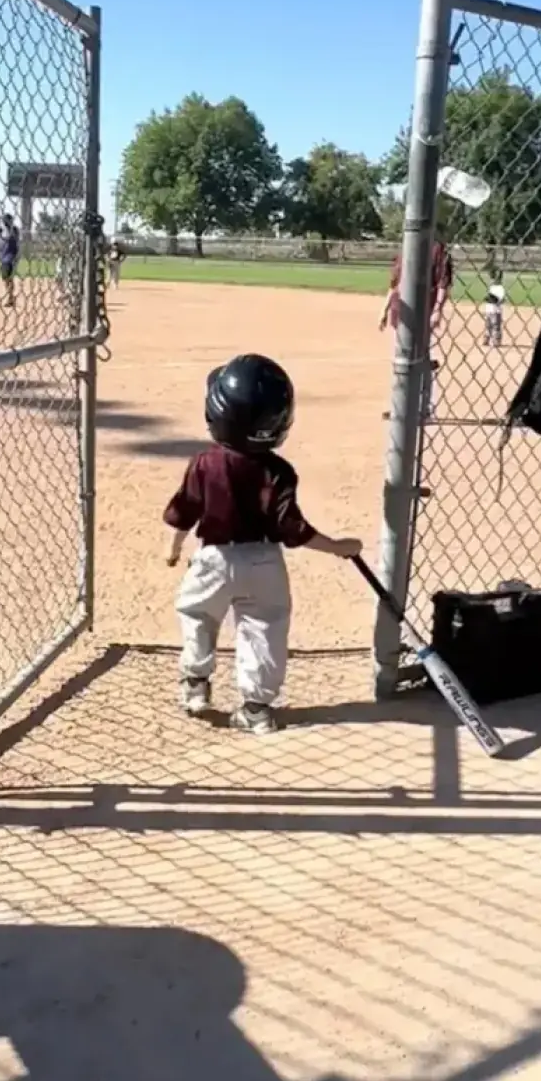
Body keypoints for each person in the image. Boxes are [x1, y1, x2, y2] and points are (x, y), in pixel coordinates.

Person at [163, 353, 363, 735]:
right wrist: (338, 546)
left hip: (214, 560)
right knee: (265, 628)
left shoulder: (205, 463)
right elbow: (292, 529)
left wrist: (174, 549)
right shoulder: (280, 471)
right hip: (264, 564)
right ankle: (256, 708)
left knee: (197, 615)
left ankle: (195, 684)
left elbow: (185, 511)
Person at [379, 237, 453, 421]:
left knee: (421, 359)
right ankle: (400, 406)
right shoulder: (405, 247)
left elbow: (443, 284)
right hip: (401, 313)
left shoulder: (438, 250)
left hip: (422, 314)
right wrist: (385, 309)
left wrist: (437, 311)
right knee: (401, 360)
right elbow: (395, 284)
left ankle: (424, 408)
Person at [0, 213, 20, 309]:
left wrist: (4, 226)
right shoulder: (2, 230)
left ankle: (10, 298)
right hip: (3, 256)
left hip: (12, 256)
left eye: (6, 220)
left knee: (9, 277)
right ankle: (10, 296)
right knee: (5, 278)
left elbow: (10, 236)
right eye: (4, 220)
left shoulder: (14, 229)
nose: (5, 222)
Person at [483, 269, 505, 348]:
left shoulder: (500, 288)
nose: (492, 280)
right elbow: (488, 298)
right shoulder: (491, 287)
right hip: (488, 310)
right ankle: (487, 338)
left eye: (494, 278)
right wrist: (488, 298)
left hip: (496, 311)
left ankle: (496, 340)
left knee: (496, 325)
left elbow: (501, 300)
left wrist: (493, 298)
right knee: (488, 325)